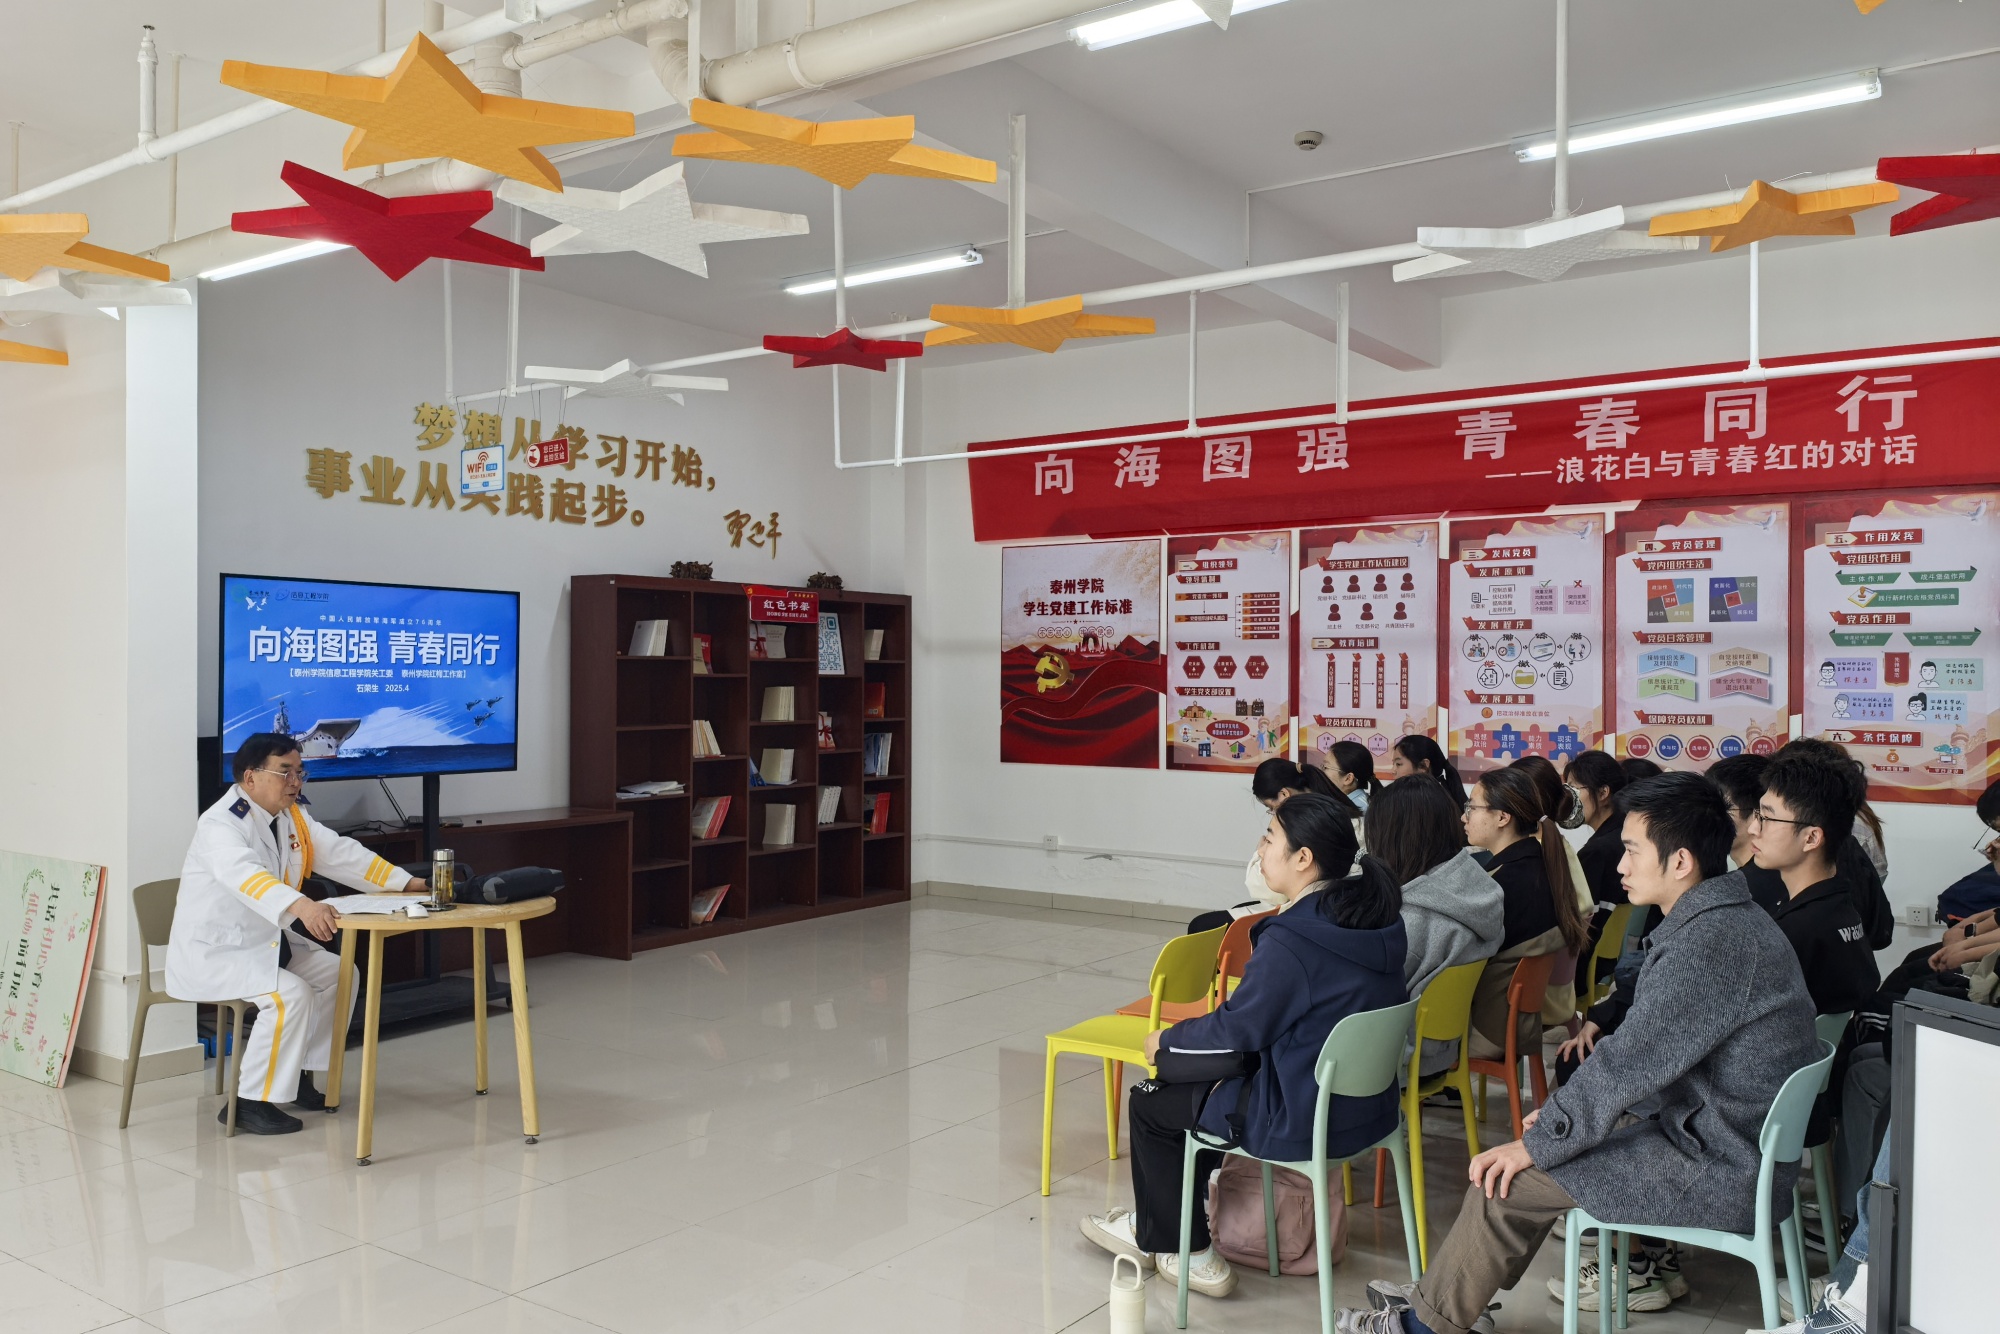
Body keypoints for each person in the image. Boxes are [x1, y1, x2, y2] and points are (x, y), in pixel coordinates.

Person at [1339, 774, 1821, 1334]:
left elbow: (1627, 1065)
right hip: (1721, 1138)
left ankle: (1425, 1324)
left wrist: (1544, 1139)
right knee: (1532, 1154)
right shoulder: (1728, 920)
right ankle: (1450, 1301)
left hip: (1717, 1163)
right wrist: (1561, 1124)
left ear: (1681, 862)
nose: (1620, 864)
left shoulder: (1708, 946)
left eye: (1632, 850)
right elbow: (1642, 1056)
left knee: (1504, 1183)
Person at [1080, 793, 1407, 1299]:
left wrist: (1165, 1040)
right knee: (1194, 1083)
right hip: (1368, 1112)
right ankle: (1162, 1224)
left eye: (1270, 838)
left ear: (1303, 858)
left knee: (1152, 1098)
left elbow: (1240, 1029)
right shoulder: (1377, 921)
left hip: (1297, 1114)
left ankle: (1184, 1248)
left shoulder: (1294, 939)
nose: (1259, 848)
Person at [167, 733, 427, 1135]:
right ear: (250, 777)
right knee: (290, 996)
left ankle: (299, 1076)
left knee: (340, 974)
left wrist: (406, 883)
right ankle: (249, 1102)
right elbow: (246, 877)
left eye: (300, 772)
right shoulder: (220, 823)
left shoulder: (291, 818)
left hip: (268, 946)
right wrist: (303, 906)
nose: (295, 782)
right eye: (285, 772)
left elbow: (341, 854)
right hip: (219, 952)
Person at [1367, 776, 1503, 1076]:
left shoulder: (1413, 920)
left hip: (1401, 1058)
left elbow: (1368, 996)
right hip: (1445, 1046)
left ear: (1395, 837)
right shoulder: (1478, 887)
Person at [1460, 767, 1590, 1062]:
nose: (1463, 817)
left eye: (1472, 807)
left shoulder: (1504, 885)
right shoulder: (1540, 866)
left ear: (1502, 817)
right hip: (1517, 1021)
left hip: (1489, 1029)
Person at [1750, 747, 1882, 1018]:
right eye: (1756, 814)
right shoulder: (1842, 907)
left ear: (1811, 838)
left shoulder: (1792, 933)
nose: (1753, 828)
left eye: (1766, 818)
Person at [1189, 758, 1360, 933]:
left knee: (1202, 925)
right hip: (1324, 904)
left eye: (1271, 807)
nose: (1262, 851)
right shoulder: (1334, 812)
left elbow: (1268, 890)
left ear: (1284, 795)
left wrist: (1259, 855)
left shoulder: (1311, 825)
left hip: (1305, 906)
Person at [1563, 750, 1630, 909]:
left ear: (1602, 793)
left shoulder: (1597, 852)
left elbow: (1582, 918)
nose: (1568, 799)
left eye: (1574, 789)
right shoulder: (1626, 835)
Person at [1393, 735, 1467, 811]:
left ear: (1423, 766)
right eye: (1393, 764)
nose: (1393, 771)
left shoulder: (1431, 803)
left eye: (1398, 764)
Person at [1328, 739, 1385, 813]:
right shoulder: (1344, 804)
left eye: (1325, 767)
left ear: (1348, 778)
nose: (1320, 771)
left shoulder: (1357, 811)